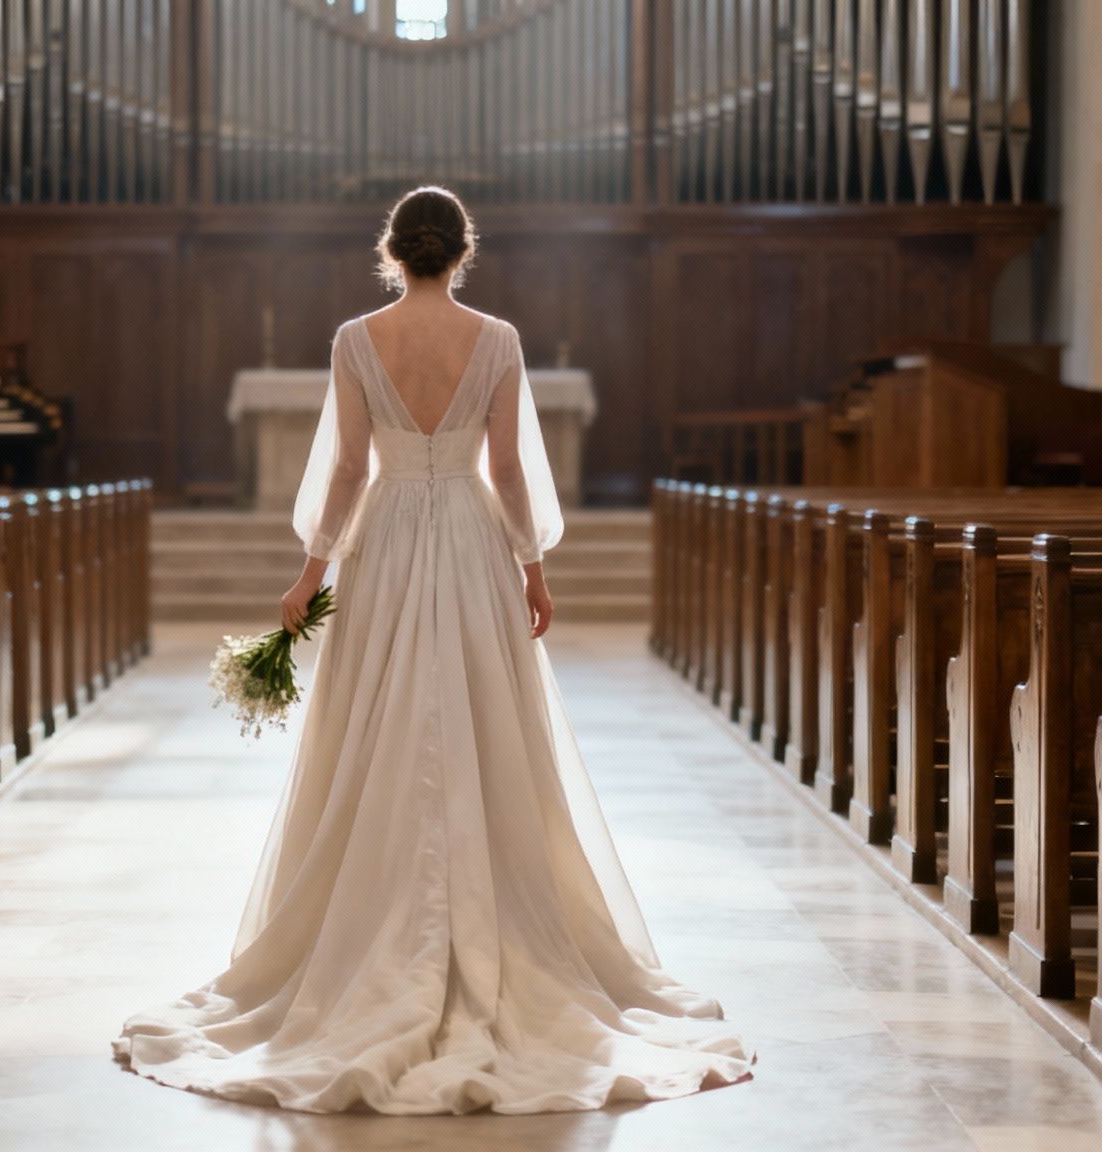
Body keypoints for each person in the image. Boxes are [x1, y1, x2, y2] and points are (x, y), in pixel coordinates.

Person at [113, 186, 752, 1114]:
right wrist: (531, 566)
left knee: (377, 725)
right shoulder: (495, 338)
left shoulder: (353, 340)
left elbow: (343, 467)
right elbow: (504, 469)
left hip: (383, 546)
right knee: (487, 723)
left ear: (392, 252)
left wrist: (310, 574)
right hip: (467, 538)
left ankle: (368, 933)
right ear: (462, 253)